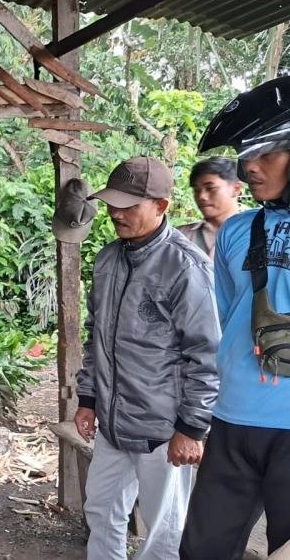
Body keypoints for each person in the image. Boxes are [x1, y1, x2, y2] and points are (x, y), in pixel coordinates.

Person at [74, 157, 221, 560]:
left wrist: (191, 428)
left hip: (163, 431)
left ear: (161, 205)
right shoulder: (107, 260)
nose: (116, 213)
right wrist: (87, 400)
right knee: (100, 512)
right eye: (112, 203)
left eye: (128, 205)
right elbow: (95, 336)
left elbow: (206, 354)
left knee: (162, 532)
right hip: (112, 424)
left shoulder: (186, 266)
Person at [180, 76, 290, 559]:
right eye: (247, 156)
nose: (250, 168)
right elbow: (228, 317)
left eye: (267, 154)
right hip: (233, 419)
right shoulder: (237, 231)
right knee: (202, 550)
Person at [176, 156, 243, 259]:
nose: (201, 197)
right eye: (197, 191)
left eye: (210, 188)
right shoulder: (180, 237)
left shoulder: (261, 236)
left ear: (236, 189)